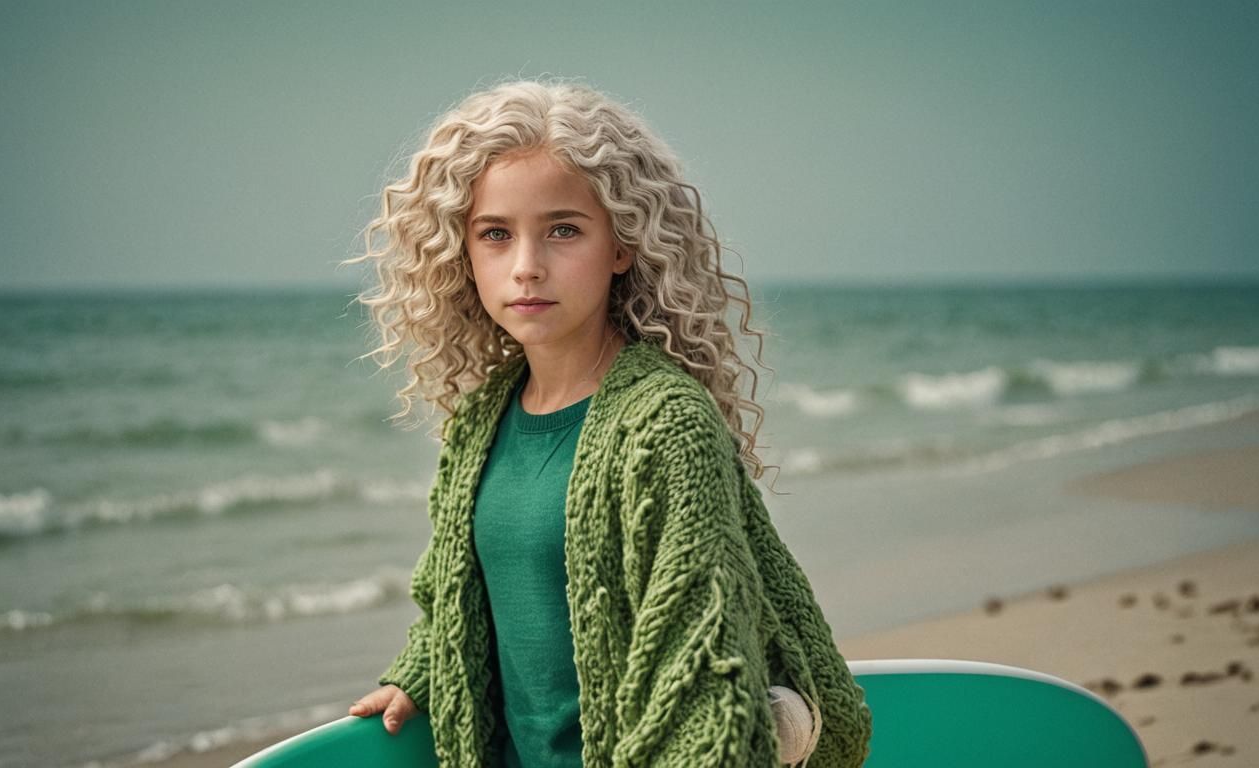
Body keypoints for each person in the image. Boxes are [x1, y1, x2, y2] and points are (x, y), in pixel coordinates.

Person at [342, 78, 871, 767]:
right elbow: (467, 595)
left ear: (622, 245)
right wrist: (420, 672)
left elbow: (700, 663)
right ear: (462, 255)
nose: (527, 267)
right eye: (496, 235)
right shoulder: (480, 423)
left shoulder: (664, 424)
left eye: (564, 230)